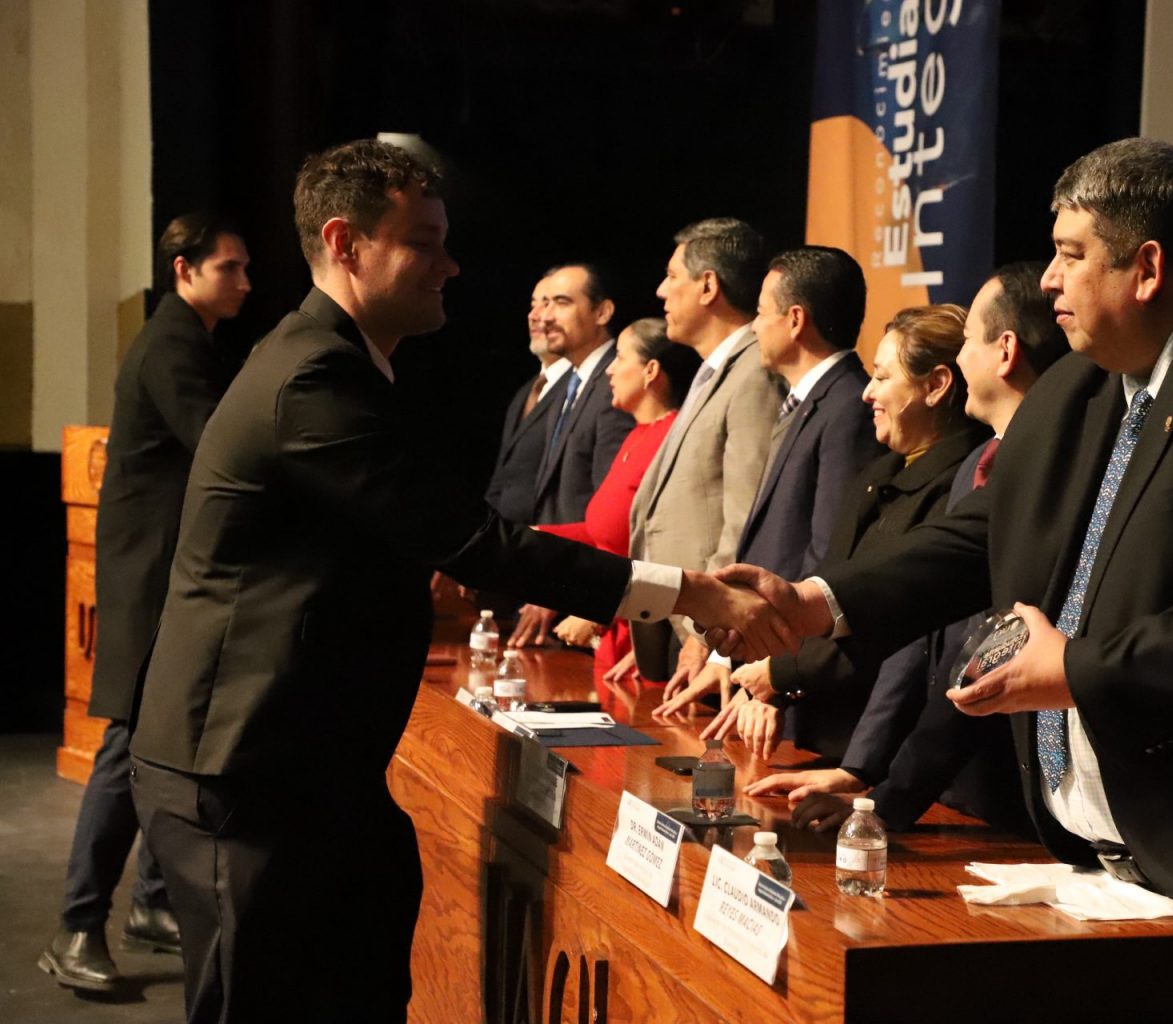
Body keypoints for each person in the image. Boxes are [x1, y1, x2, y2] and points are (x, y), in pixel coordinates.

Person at [716, 138, 1173, 926]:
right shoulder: (1085, 381)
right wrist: (818, 601)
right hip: (1104, 864)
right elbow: (985, 534)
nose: (1047, 280)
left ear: (1147, 268)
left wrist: (1078, 668)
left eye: (1071, 254)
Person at [125, 139, 787, 1024]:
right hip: (245, 771)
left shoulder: (335, 359)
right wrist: (694, 593)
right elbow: (472, 540)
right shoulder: (313, 374)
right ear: (347, 243)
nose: (451, 266)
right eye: (424, 243)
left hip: (300, 767)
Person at [748, 263, 1064, 836]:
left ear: (1005, 351)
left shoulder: (1045, 469)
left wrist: (875, 783)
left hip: (1020, 786)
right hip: (943, 777)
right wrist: (877, 786)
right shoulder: (974, 468)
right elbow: (937, 647)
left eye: (969, 342)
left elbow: (973, 646)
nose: (962, 359)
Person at [39, 213, 250, 993]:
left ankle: (154, 905)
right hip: (151, 580)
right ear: (185, 270)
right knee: (129, 746)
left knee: (163, 743)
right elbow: (223, 447)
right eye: (230, 268)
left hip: (162, 575)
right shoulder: (172, 347)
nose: (245, 282)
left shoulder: (188, 340)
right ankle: (76, 926)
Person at [713, 305, 988, 769]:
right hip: (822, 728)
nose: (867, 392)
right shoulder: (878, 473)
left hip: (885, 755)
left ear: (936, 385)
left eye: (882, 377)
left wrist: (781, 676)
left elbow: (901, 638)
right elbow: (827, 594)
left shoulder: (961, 489)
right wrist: (771, 690)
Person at [655, 244, 881, 716]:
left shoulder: (846, 408)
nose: (755, 327)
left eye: (761, 313)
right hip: (761, 664)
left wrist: (778, 674)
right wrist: (725, 653)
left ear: (795, 320)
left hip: (794, 683)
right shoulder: (807, 402)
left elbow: (827, 558)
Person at [627, 218, 784, 683]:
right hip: (680, 624)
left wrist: (710, 634)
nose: (661, 290)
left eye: (672, 276)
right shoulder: (714, 370)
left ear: (709, 286)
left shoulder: (754, 372)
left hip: (711, 633)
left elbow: (745, 514)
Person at [539, 317, 701, 694]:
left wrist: (601, 610)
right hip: (614, 642)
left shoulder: (671, 439)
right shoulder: (636, 435)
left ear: (651, 371)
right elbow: (605, 532)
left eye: (620, 357)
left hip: (644, 637)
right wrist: (534, 537)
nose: (609, 369)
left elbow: (661, 549)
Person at [510, 262, 635, 645]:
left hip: (587, 601)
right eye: (541, 303)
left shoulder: (616, 383)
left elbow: (613, 510)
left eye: (561, 302)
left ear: (603, 312)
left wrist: (564, 584)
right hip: (558, 587)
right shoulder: (572, 383)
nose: (544, 316)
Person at [482, 272, 571, 525]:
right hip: (507, 538)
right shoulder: (526, 391)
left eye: (552, 303)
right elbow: (504, 476)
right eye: (534, 304)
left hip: (548, 536)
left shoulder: (584, 387)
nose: (536, 315)